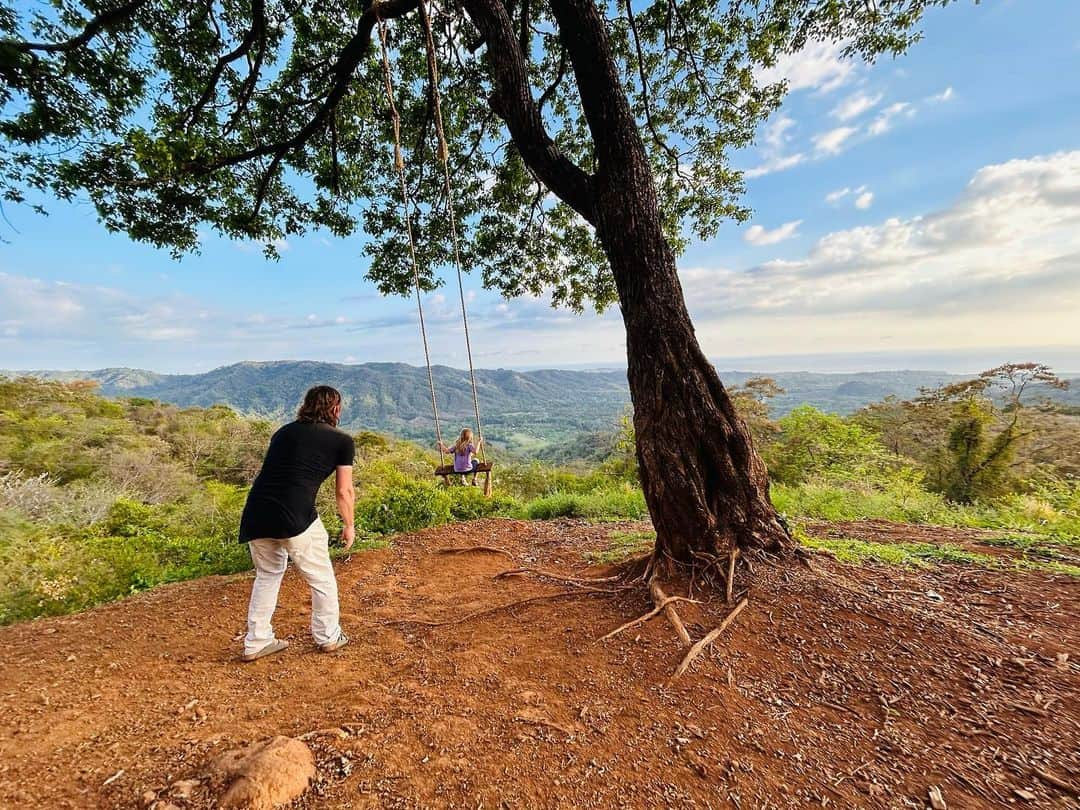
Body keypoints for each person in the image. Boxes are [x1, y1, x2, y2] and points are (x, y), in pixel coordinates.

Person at [237, 385, 355, 662]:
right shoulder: (341, 441)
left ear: (307, 405)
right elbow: (344, 492)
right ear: (335, 408)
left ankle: (256, 641)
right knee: (321, 577)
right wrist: (349, 525)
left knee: (267, 575)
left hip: (256, 512)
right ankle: (328, 636)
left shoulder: (283, 432)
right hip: (295, 515)